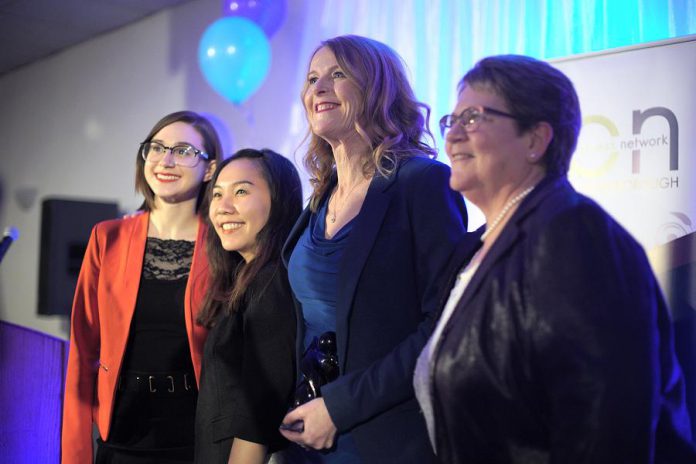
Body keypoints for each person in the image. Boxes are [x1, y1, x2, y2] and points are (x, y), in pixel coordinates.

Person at [413, 54, 696, 463]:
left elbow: (604, 423)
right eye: (451, 121)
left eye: (473, 118)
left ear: (535, 139)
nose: (453, 135)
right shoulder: (474, 249)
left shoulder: (574, 234)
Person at [279, 35, 467, 464]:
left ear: (377, 87)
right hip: (308, 435)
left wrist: (340, 407)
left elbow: (443, 325)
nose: (318, 88)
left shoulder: (422, 183)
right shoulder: (319, 198)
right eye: (312, 79)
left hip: (384, 437)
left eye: (337, 74)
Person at [62, 111, 222, 463]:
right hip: (121, 431)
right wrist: (74, 455)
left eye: (183, 151)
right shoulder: (108, 237)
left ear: (210, 169)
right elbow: (83, 350)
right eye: (157, 148)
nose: (166, 160)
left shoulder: (222, 245)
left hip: (195, 435)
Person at [194, 149, 302, 464]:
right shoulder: (247, 279)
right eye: (216, 194)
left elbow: (259, 413)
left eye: (241, 191)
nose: (223, 208)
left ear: (279, 201)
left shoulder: (271, 282)